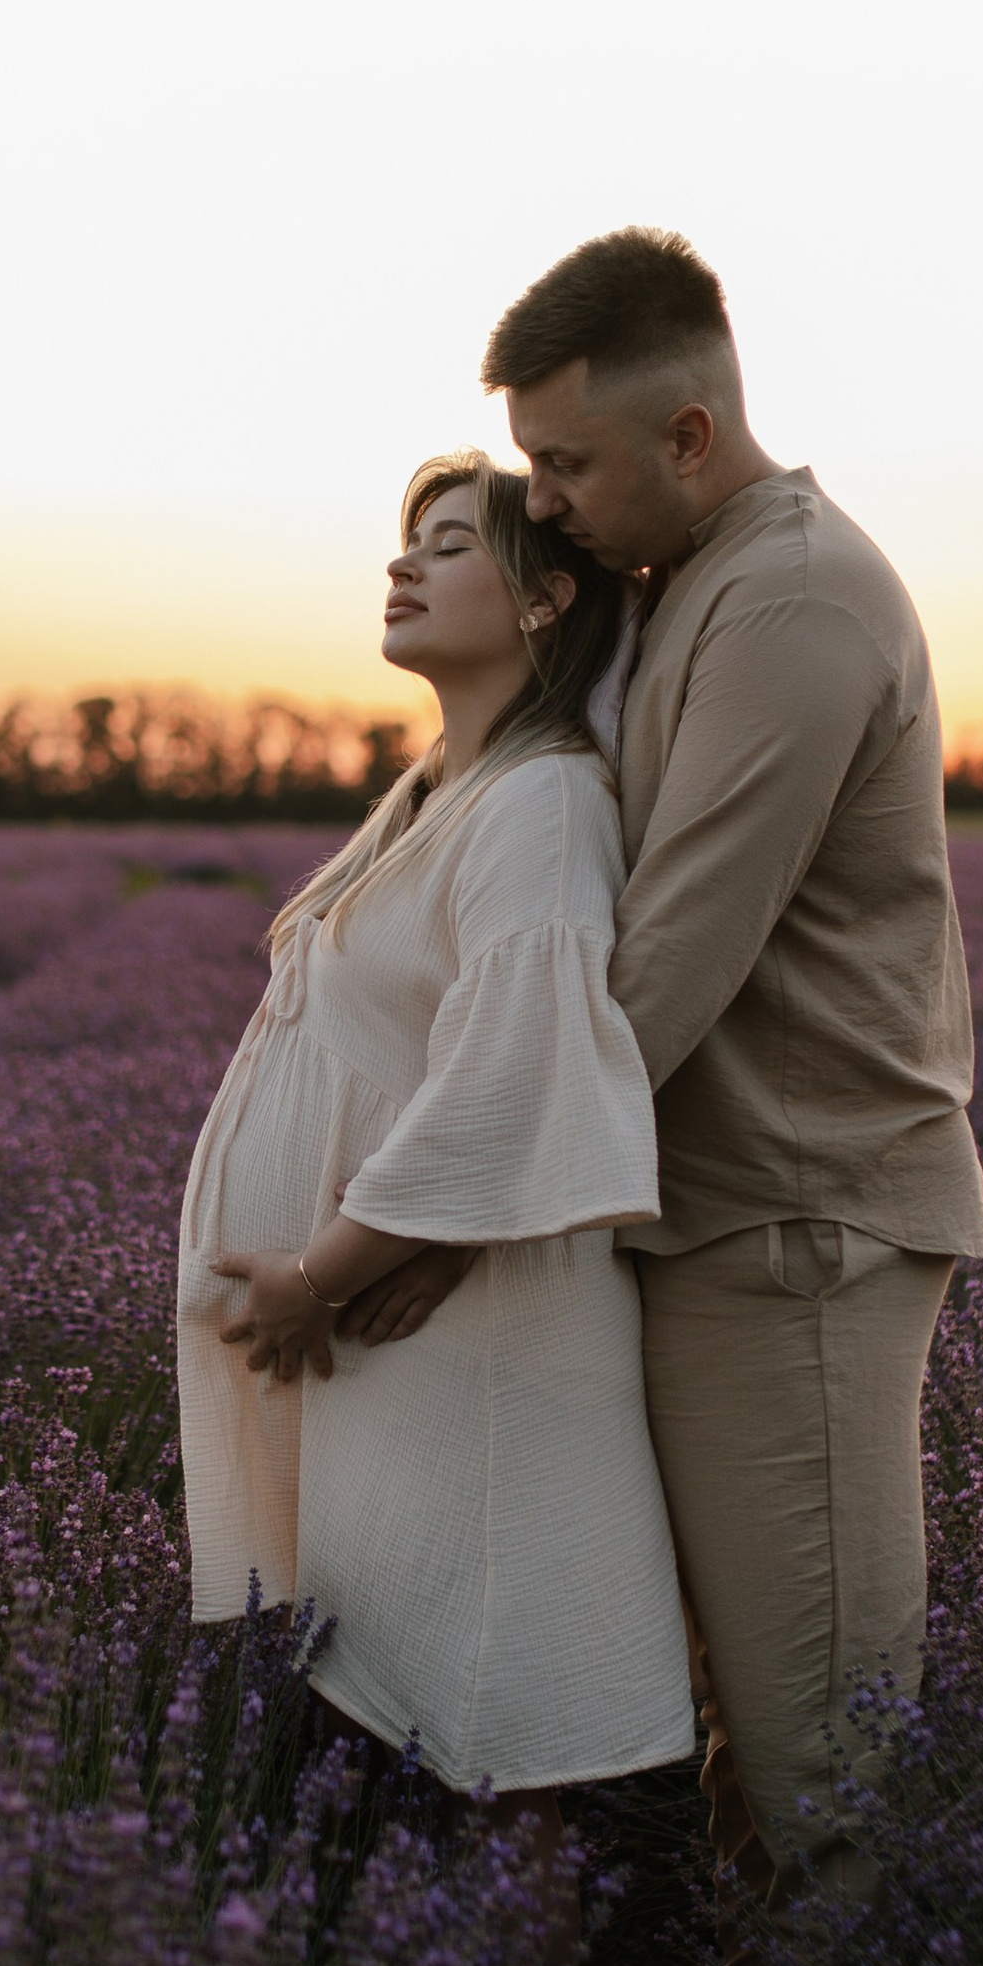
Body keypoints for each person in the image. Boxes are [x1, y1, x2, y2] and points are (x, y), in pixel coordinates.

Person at [346, 230, 983, 1966]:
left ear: (691, 430)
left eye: (568, 468)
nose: (540, 503)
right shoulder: (685, 581)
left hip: (794, 1230)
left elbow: (666, 966)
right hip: (706, 1218)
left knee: (817, 1739)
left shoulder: (791, 602)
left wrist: (429, 1222)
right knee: (751, 1722)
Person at [177, 451, 698, 1813]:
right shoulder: (444, 786)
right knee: (401, 1661)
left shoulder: (544, 802)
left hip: (455, 1333)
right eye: (407, 543)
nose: (403, 566)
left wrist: (321, 1274)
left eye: (451, 544)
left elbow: (510, 1068)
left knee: (504, 1689)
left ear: (544, 600)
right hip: (396, 1333)